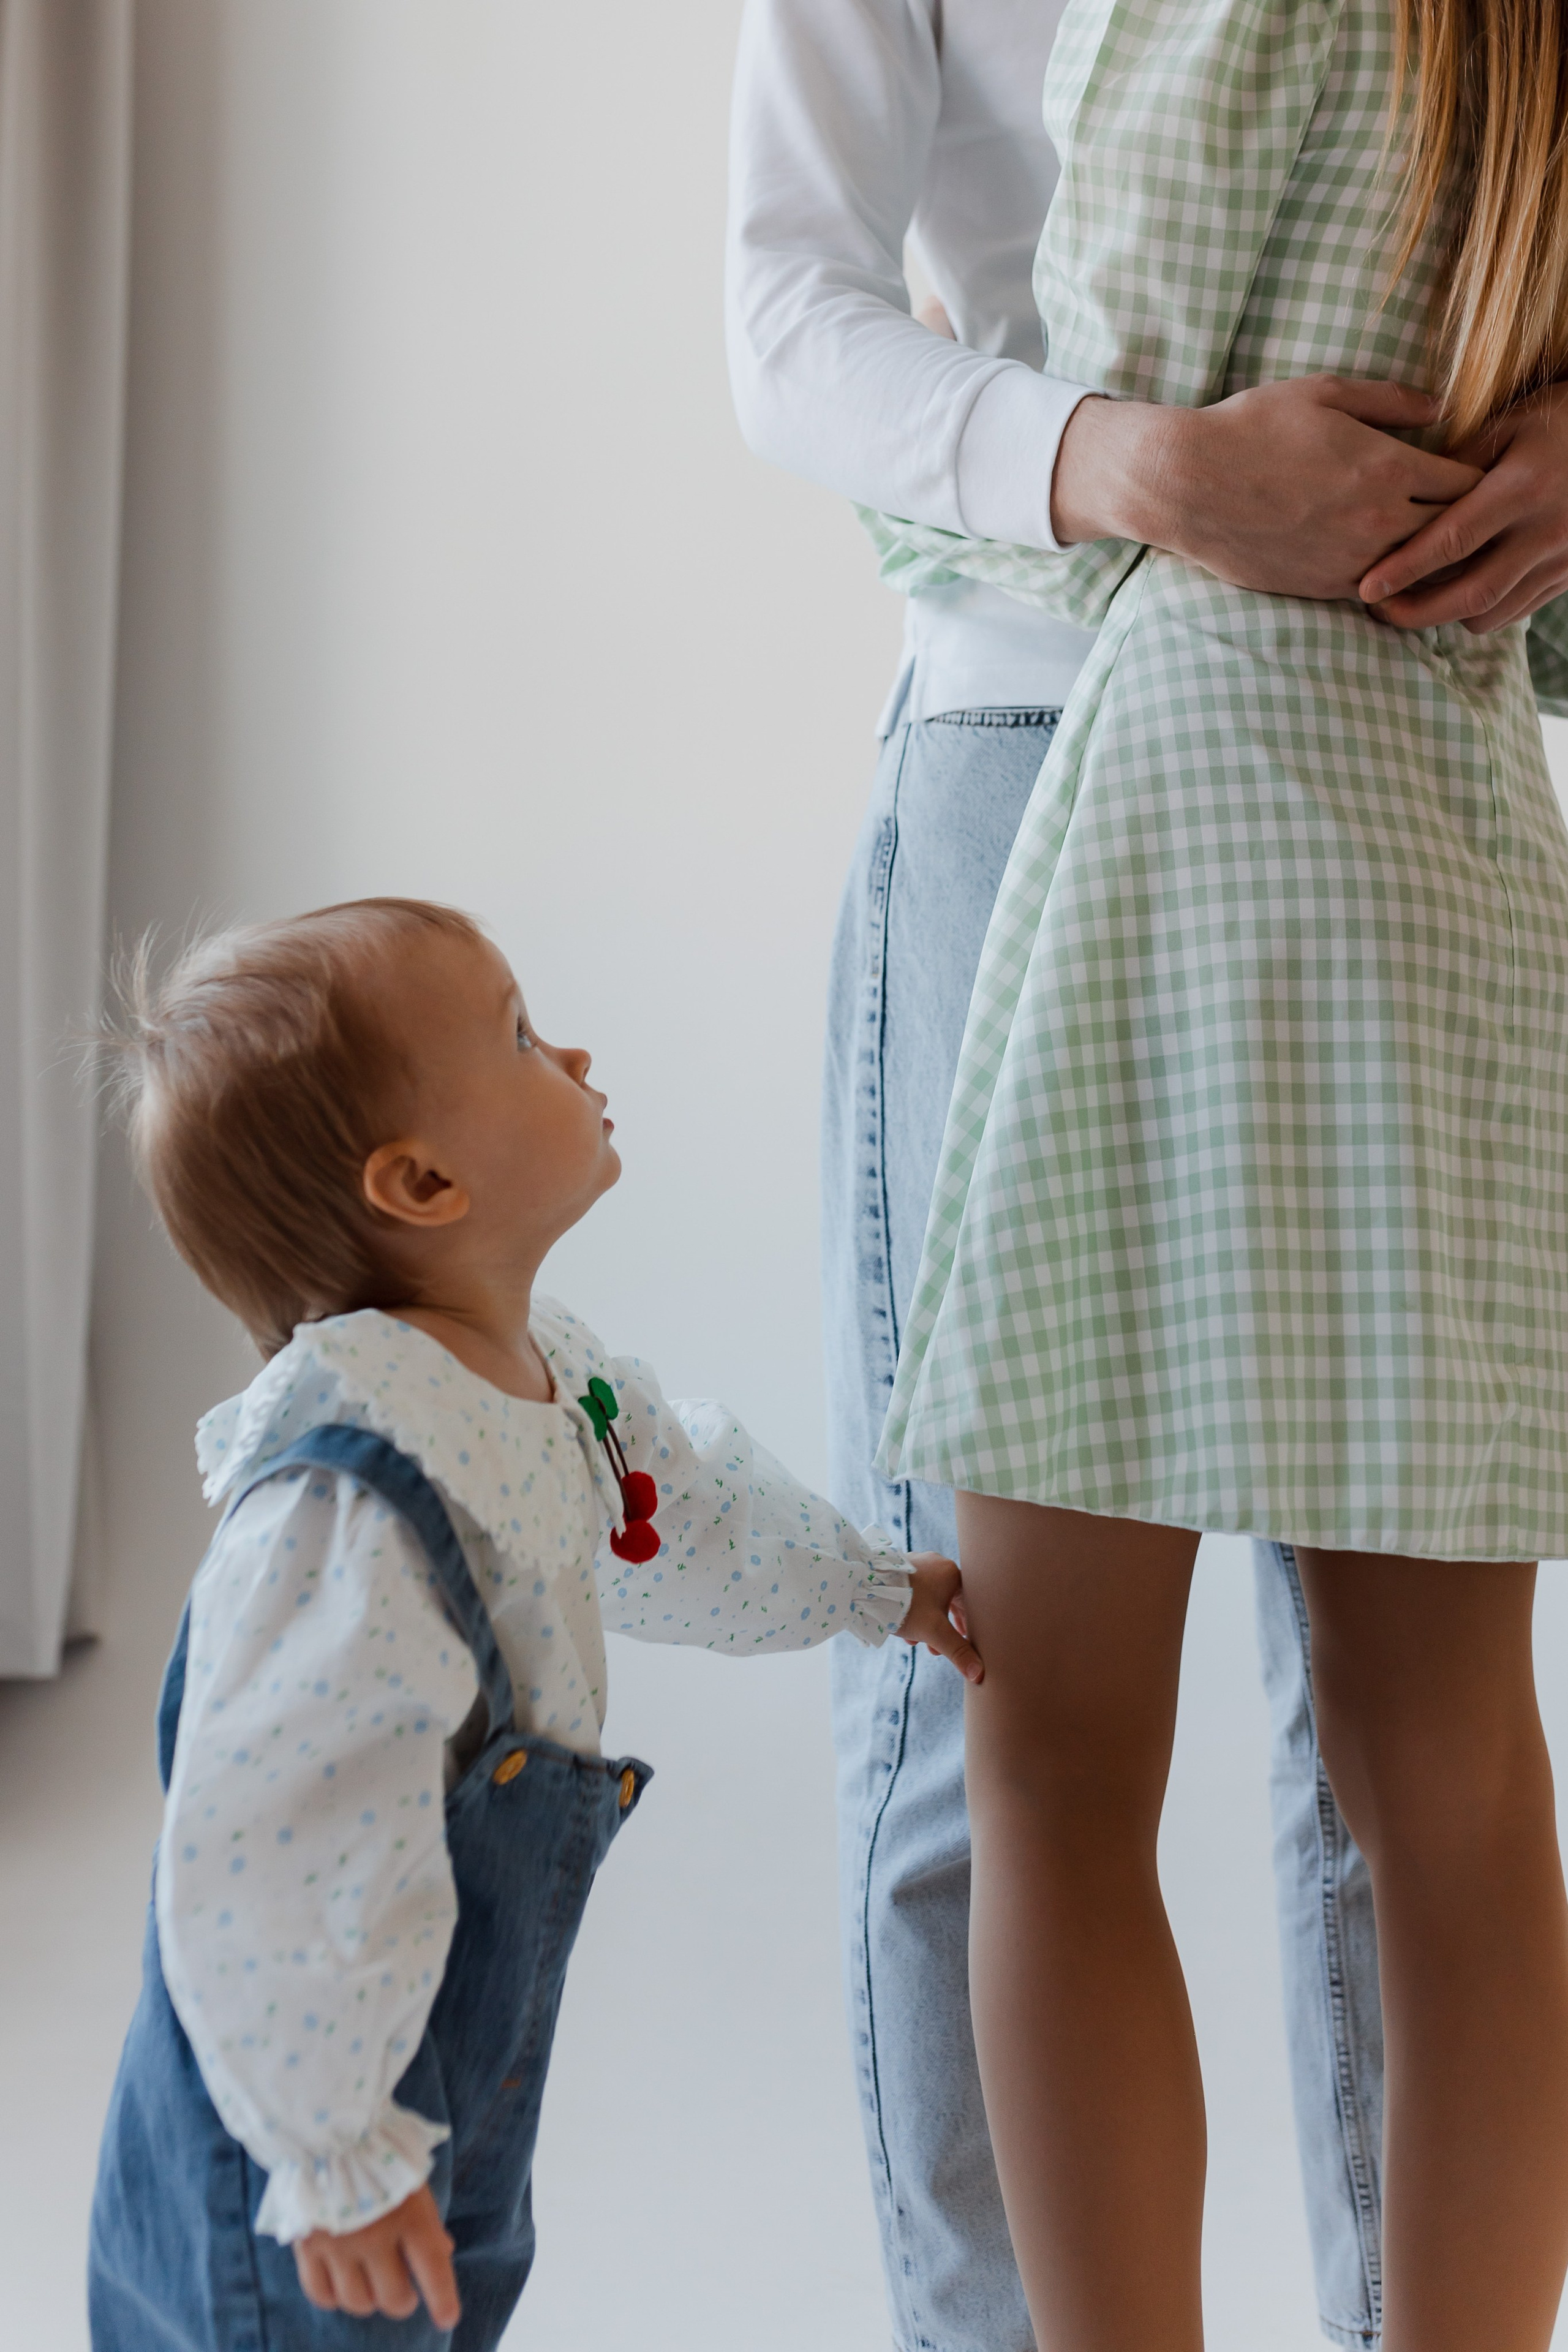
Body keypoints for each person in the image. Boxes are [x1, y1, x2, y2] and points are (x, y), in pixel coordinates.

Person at [724, 2, 1568, 2343]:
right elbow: (781, 313)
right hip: (1079, 746)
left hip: (1327, 786)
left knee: (1105, 1736)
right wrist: (1135, 466)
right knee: (1129, 1743)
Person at [86, 898, 978, 2352]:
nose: (568, 1048)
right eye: (516, 1033)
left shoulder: (540, 1382)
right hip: (298, 2150)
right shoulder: (348, 1497)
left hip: (439, 2082)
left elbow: (676, 1521)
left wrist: (869, 1589)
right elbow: (266, 1848)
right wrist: (333, 2158)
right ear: (424, 1180)